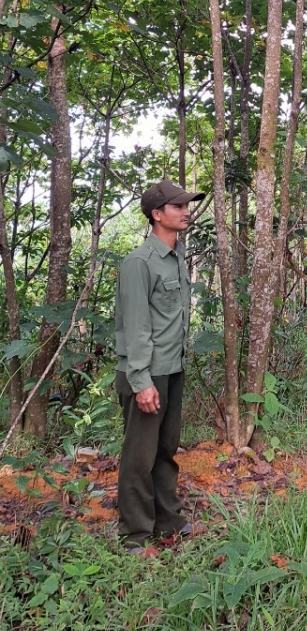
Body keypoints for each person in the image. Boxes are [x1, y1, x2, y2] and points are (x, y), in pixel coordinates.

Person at [115, 179, 203, 552]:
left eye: (187, 205)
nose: (186, 211)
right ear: (157, 214)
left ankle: (167, 519)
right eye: (178, 206)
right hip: (145, 373)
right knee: (139, 455)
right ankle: (135, 533)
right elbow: (135, 326)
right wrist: (141, 381)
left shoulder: (177, 255)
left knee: (166, 448)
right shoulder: (139, 263)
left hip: (171, 368)